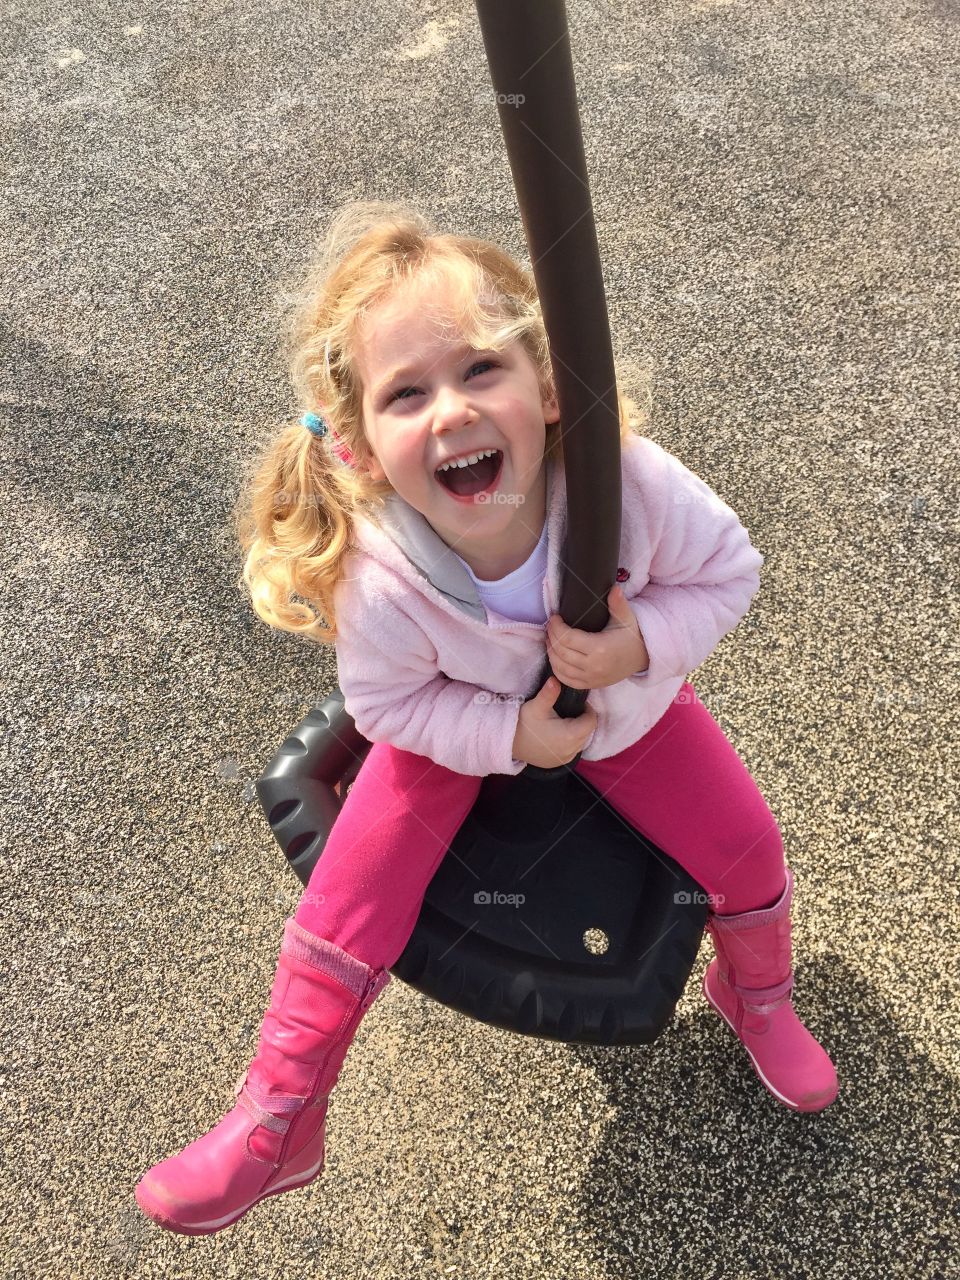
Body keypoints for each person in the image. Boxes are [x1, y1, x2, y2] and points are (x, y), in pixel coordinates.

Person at [134, 199, 838, 1236]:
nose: (452, 411)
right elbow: (385, 705)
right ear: (363, 448)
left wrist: (638, 646)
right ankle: (279, 1113)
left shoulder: (624, 487)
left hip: (620, 711)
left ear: (548, 389)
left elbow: (730, 570)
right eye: (406, 392)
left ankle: (758, 992)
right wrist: (507, 739)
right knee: (347, 895)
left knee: (745, 840)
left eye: (479, 370)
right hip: (456, 731)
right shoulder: (380, 576)